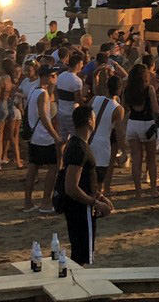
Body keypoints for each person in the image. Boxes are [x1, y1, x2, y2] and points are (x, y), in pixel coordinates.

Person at [61, 105, 113, 265]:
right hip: (80, 208)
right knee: (81, 256)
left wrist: (100, 196)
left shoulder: (77, 144)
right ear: (90, 121)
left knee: (81, 253)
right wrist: (95, 203)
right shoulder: (79, 148)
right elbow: (71, 186)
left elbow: (84, 180)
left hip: (81, 205)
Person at [23, 66, 62, 214]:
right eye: (53, 76)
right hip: (43, 136)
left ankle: (28, 202)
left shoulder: (34, 90)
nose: (55, 79)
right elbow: (45, 117)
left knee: (33, 167)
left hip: (34, 136)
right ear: (46, 77)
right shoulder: (43, 94)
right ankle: (46, 202)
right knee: (52, 167)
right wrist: (55, 136)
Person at [123, 64, 159, 197]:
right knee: (151, 159)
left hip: (133, 122)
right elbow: (155, 109)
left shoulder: (127, 89)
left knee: (136, 158)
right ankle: (153, 189)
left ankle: (138, 191)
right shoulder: (149, 89)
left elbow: (124, 107)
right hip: (147, 122)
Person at [87, 85, 125, 197]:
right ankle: (98, 196)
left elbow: (85, 114)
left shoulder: (94, 99)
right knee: (99, 176)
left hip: (89, 138)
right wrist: (123, 150)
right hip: (103, 144)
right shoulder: (118, 109)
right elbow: (119, 132)